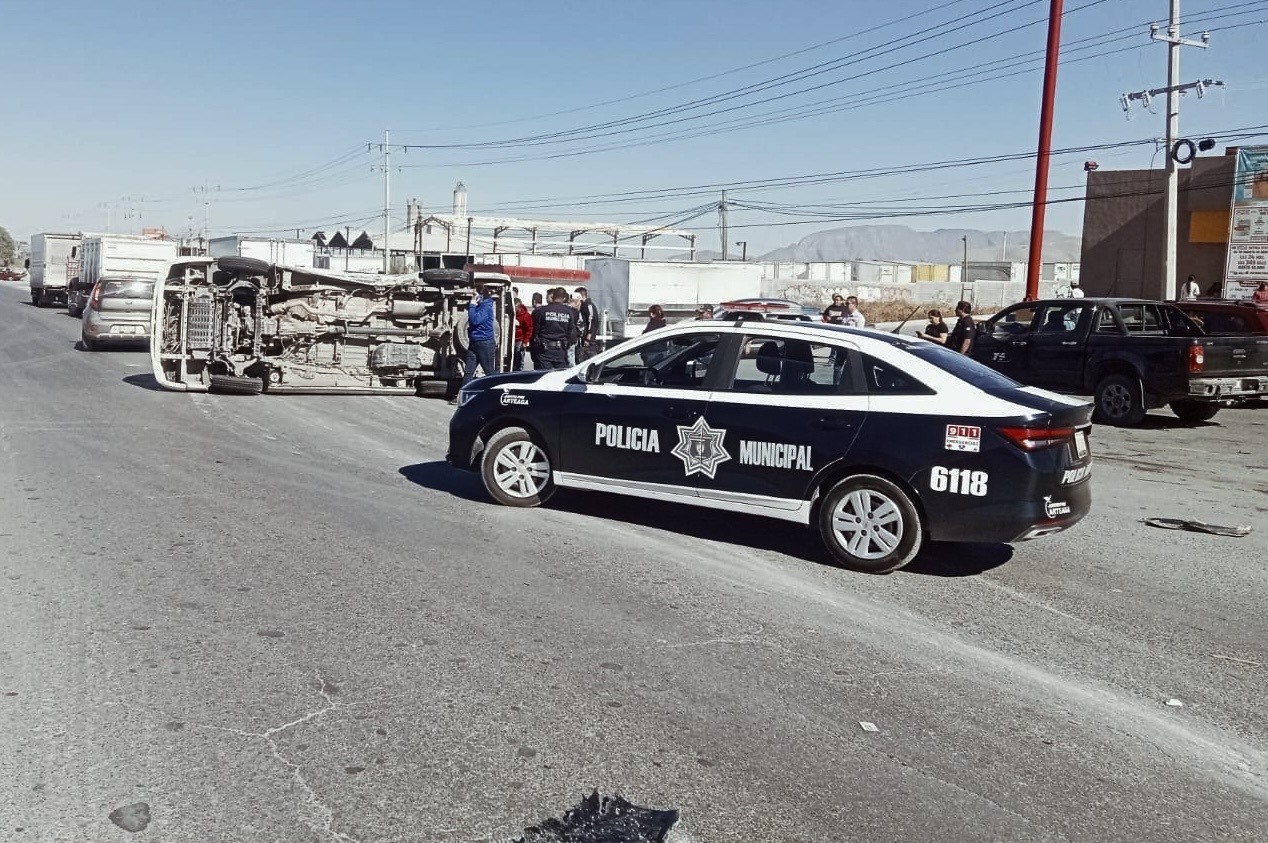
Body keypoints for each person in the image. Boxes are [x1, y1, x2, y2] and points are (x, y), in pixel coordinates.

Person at [454, 286, 498, 399]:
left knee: (489, 372)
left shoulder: (486, 307)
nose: (472, 297)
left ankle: (495, 396)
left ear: (480, 296)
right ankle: (463, 396)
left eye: (474, 295)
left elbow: (475, 320)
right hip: (474, 343)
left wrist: (472, 305)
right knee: (469, 371)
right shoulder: (481, 307)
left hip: (485, 343)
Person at [530, 287, 579, 370]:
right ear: (564, 298)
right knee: (559, 379)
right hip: (561, 352)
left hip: (544, 352)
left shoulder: (542, 311)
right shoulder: (569, 312)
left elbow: (535, 333)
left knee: (542, 379)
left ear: (553, 297)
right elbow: (572, 335)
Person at [575, 286, 601, 362]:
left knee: (589, 358)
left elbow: (591, 321)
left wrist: (588, 338)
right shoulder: (583, 306)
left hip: (589, 340)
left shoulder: (588, 305)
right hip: (583, 338)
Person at [512, 298, 533, 371]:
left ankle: (519, 372)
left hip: (519, 340)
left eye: (515, 308)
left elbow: (529, 329)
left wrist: (525, 342)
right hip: (511, 339)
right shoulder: (511, 313)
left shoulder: (526, 316)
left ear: (519, 307)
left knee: (519, 359)